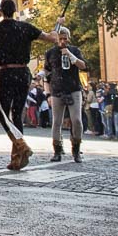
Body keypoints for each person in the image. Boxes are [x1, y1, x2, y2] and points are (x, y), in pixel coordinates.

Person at [0, 0, 58, 170]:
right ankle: (17, 158)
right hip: (23, 74)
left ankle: (21, 145)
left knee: (2, 114)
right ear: (15, 11)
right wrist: (56, 28)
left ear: (1, 11)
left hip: (6, 72)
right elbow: (51, 38)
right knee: (17, 114)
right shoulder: (25, 27)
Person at [43, 25, 87, 163]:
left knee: (77, 120)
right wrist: (48, 94)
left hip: (73, 88)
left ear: (68, 39)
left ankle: (76, 148)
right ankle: (57, 150)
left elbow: (83, 66)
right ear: (56, 39)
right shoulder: (50, 53)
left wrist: (71, 55)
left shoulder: (75, 50)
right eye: (60, 38)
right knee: (57, 121)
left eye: (65, 39)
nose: (62, 41)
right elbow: (47, 75)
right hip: (57, 90)